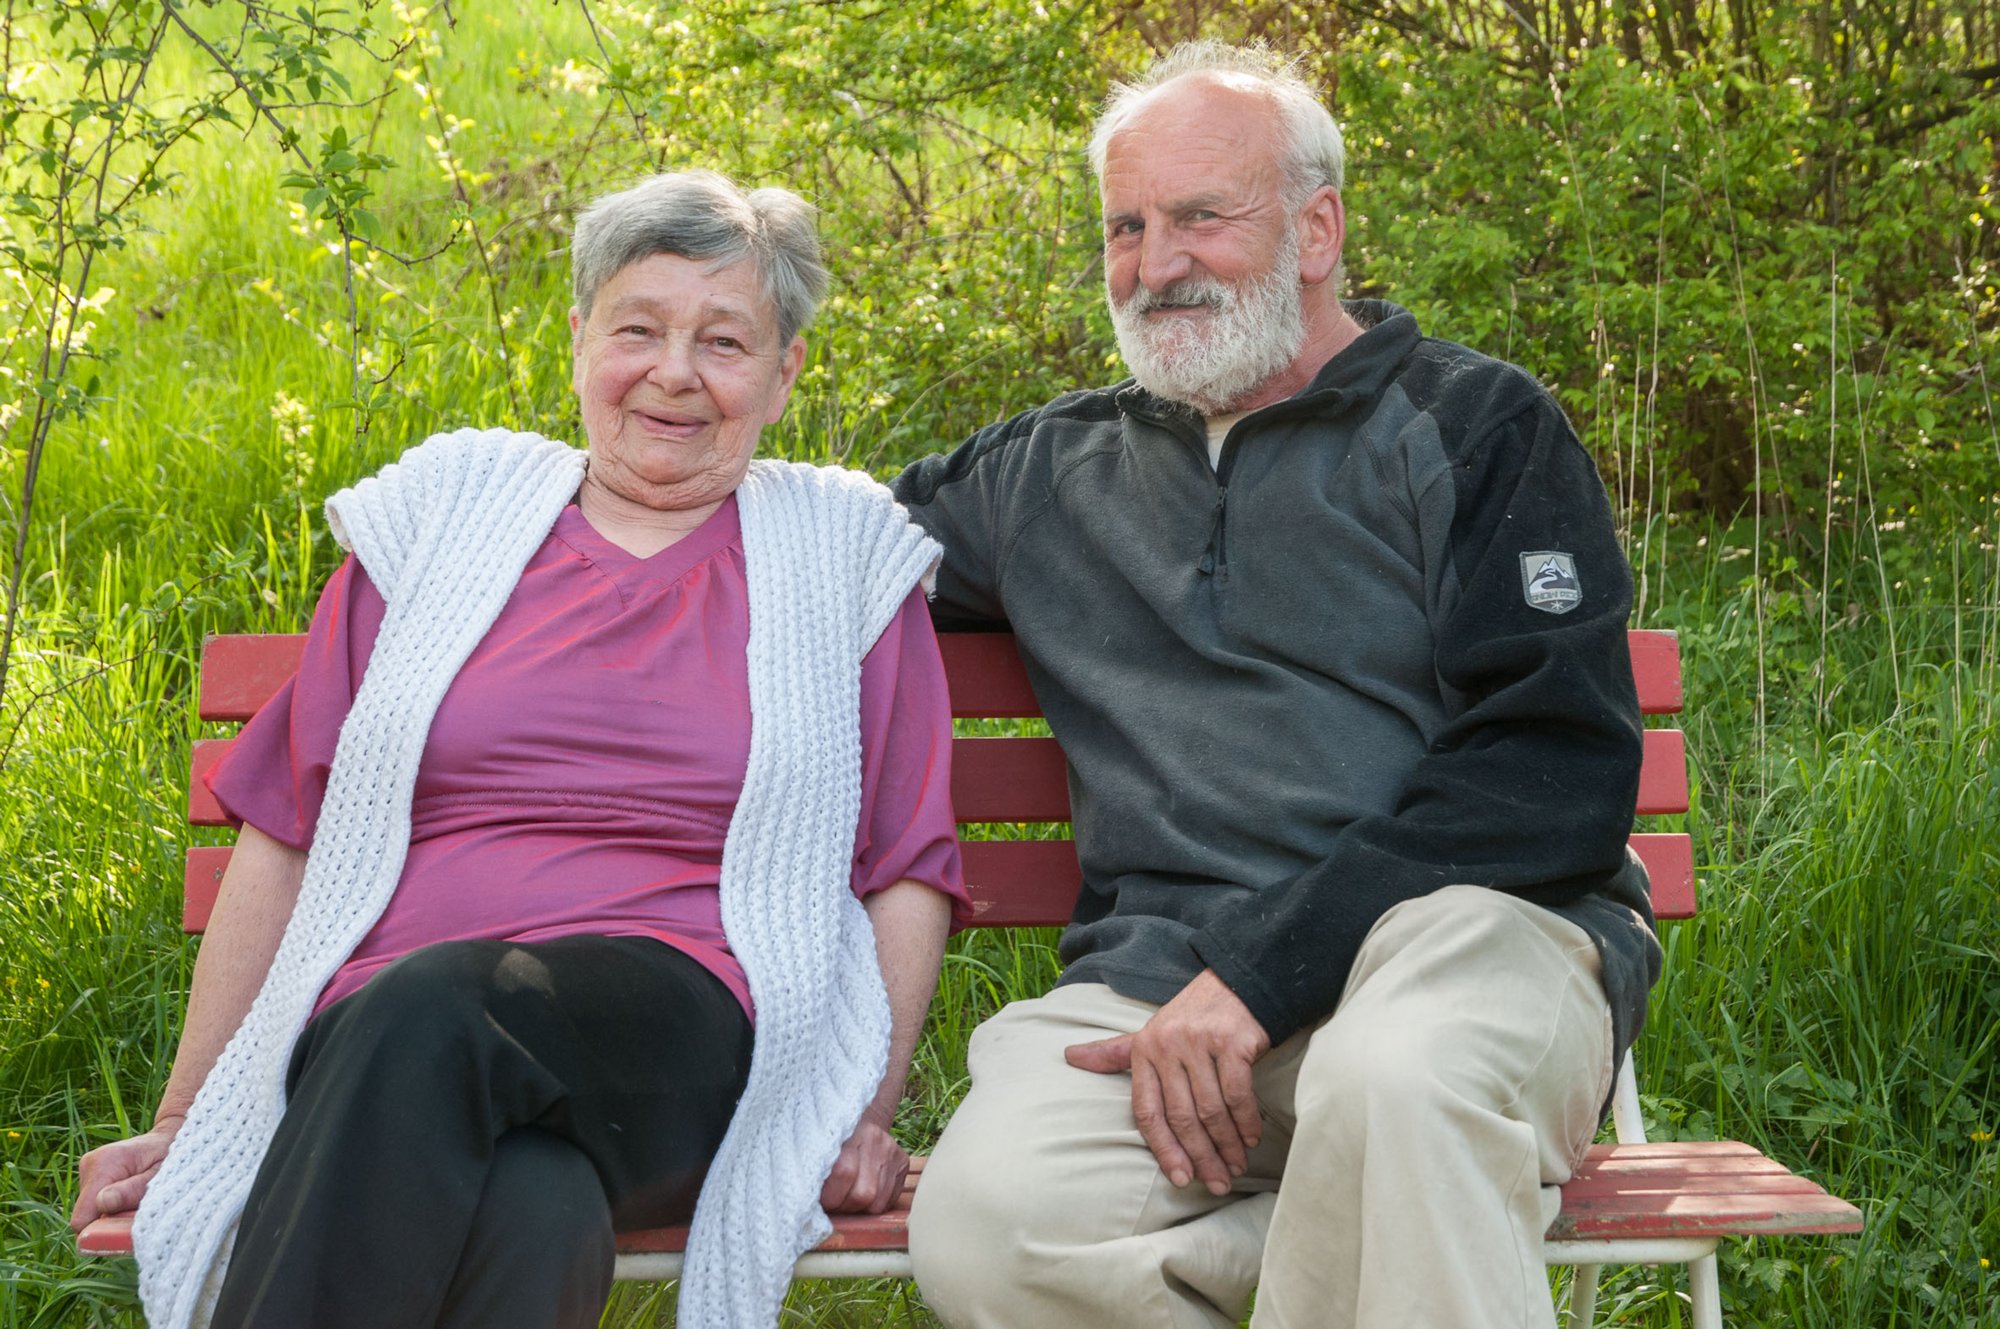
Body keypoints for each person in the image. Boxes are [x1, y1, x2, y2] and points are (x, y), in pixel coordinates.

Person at [69, 169, 967, 1329]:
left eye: (725, 341)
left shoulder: (841, 559)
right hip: (371, 1046)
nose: (673, 372)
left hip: (681, 1042)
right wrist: (190, 1112)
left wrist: (862, 1116)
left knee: (446, 1004)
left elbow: (903, 869)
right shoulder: (443, 524)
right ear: (580, 339)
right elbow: (289, 827)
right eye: (636, 328)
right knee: (531, 1208)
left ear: (785, 372)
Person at [891, 41, 1662, 1329]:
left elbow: (1552, 770)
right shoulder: (1043, 475)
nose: (1155, 262)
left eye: (1200, 215)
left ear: (1316, 230)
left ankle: (1391, 1215)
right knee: (994, 1225)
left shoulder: (1473, 427)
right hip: (1159, 987)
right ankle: (1385, 1239)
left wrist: (1268, 973)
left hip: (1464, 948)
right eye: (1125, 226)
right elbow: (806, 563)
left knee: (1394, 1084)